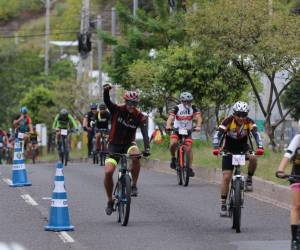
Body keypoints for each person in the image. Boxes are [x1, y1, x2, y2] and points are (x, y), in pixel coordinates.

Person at [103, 83, 150, 215]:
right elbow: (107, 101)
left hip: (129, 144)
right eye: (129, 103)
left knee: (136, 156)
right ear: (125, 101)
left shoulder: (140, 116)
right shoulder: (117, 110)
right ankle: (109, 200)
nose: (131, 106)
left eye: (134, 104)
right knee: (108, 172)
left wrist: (147, 148)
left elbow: (145, 134)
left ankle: (134, 185)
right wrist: (106, 91)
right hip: (114, 145)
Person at [212, 101, 264, 217]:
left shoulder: (249, 122)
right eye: (238, 115)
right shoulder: (228, 121)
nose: (241, 118)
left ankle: (249, 179)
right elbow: (218, 134)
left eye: (244, 115)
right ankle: (223, 204)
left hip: (243, 149)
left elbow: (256, 134)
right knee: (226, 177)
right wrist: (216, 147)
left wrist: (260, 147)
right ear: (234, 114)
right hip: (229, 150)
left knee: (254, 158)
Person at [166, 92, 202, 177]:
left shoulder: (193, 108)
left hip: (188, 131)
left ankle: (189, 168)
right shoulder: (177, 108)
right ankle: (173, 158)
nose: (187, 103)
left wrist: (198, 126)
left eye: (189, 101)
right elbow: (170, 118)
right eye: (185, 101)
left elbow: (198, 118)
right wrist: (168, 125)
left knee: (188, 149)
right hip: (177, 130)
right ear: (182, 101)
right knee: (173, 143)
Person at [276, 134, 300, 249]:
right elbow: (288, 154)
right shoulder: (298, 138)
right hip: (297, 174)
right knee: (297, 205)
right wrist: (281, 169)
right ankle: (295, 238)